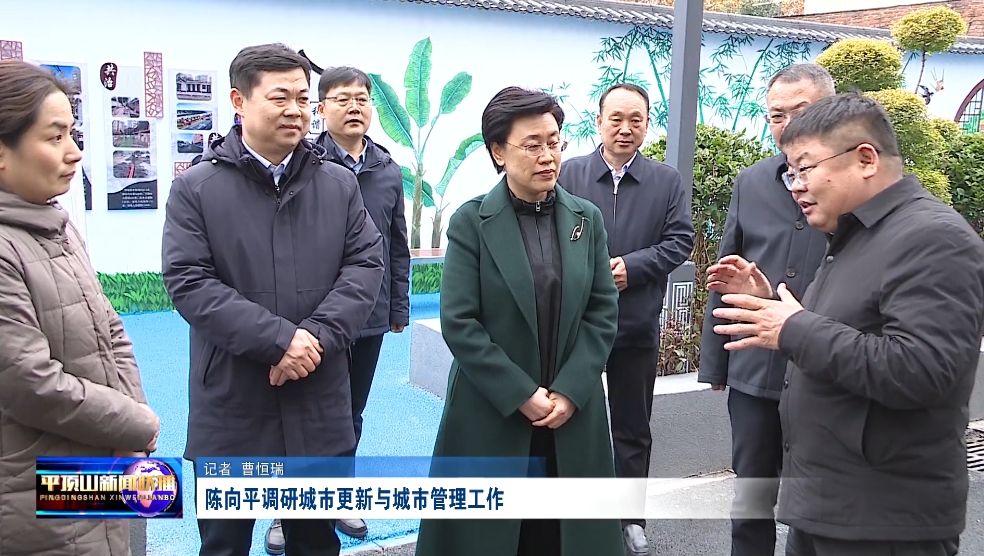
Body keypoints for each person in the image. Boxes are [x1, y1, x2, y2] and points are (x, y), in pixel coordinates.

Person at [711, 92, 984, 556]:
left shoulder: (934, 238)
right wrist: (770, 308)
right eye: (790, 173)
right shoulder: (853, 235)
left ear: (865, 159)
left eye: (805, 168)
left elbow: (924, 369)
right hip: (828, 506)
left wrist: (793, 328)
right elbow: (848, 332)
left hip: (884, 521)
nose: (795, 186)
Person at [161, 43, 385, 556]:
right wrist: (280, 340)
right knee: (224, 543)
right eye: (280, 97)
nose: (295, 110)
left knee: (315, 541)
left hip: (317, 392)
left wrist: (314, 339)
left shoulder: (338, 185)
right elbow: (189, 280)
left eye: (303, 99)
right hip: (234, 396)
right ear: (239, 101)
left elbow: (365, 264)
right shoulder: (197, 188)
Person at [414, 86, 625, 556]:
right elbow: (460, 321)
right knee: (489, 539)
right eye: (532, 145)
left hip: (572, 412)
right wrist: (521, 394)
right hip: (493, 411)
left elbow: (602, 310)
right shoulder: (472, 222)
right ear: (498, 152)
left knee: (565, 538)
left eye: (554, 142)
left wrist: (570, 390)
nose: (548, 156)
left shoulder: (586, 219)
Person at [0, 59, 160, 556]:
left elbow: (111, 331)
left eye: (72, 133)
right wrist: (135, 424)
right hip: (34, 487)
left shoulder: (57, 225)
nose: (74, 152)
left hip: (98, 465)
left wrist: (132, 424)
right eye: (55, 137)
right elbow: (30, 383)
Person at [263, 65, 410, 552]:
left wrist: (398, 306)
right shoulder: (303, 164)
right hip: (311, 320)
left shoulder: (387, 169)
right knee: (302, 419)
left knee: (351, 414)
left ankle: (338, 495)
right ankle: (287, 511)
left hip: (368, 317)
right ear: (321, 109)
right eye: (342, 99)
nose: (354, 108)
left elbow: (396, 244)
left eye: (362, 99)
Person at [696, 63, 834, 556]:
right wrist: (716, 361)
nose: (788, 124)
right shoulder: (751, 182)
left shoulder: (852, 188)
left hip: (824, 370)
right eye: (777, 115)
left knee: (816, 502)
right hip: (755, 369)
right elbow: (726, 269)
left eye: (802, 111)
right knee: (752, 494)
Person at [558, 82, 694, 555]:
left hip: (635, 325)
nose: (625, 128)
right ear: (598, 122)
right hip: (575, 327)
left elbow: (680, 241)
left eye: (636, 120)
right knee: (570, 418)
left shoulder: (665, 180)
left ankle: (630, 517)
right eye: (615, 118)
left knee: (633, 427)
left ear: (647, 125)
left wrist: (632, 268)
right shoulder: (570, 173)